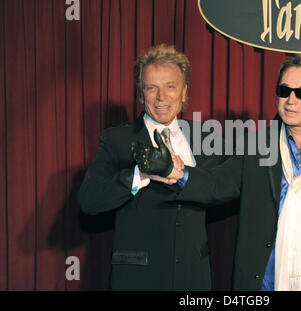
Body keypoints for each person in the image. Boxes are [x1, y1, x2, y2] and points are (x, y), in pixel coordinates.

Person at [147, 54, 301, 290]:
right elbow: (217, 184)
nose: (291, 100)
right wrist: (178, 173)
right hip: (265, 284)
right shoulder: (257, 145)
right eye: (284, 90)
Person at [77, 44, 230, 290]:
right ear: (140, 94)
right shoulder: (117, 140)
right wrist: (140, 175)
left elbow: (229, 186)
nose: (161, 97)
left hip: (194, 278)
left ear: (184, 92)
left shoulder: (207, 137)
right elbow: (89, 201)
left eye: (170, 86)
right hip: (138, 279)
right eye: (151, 87)